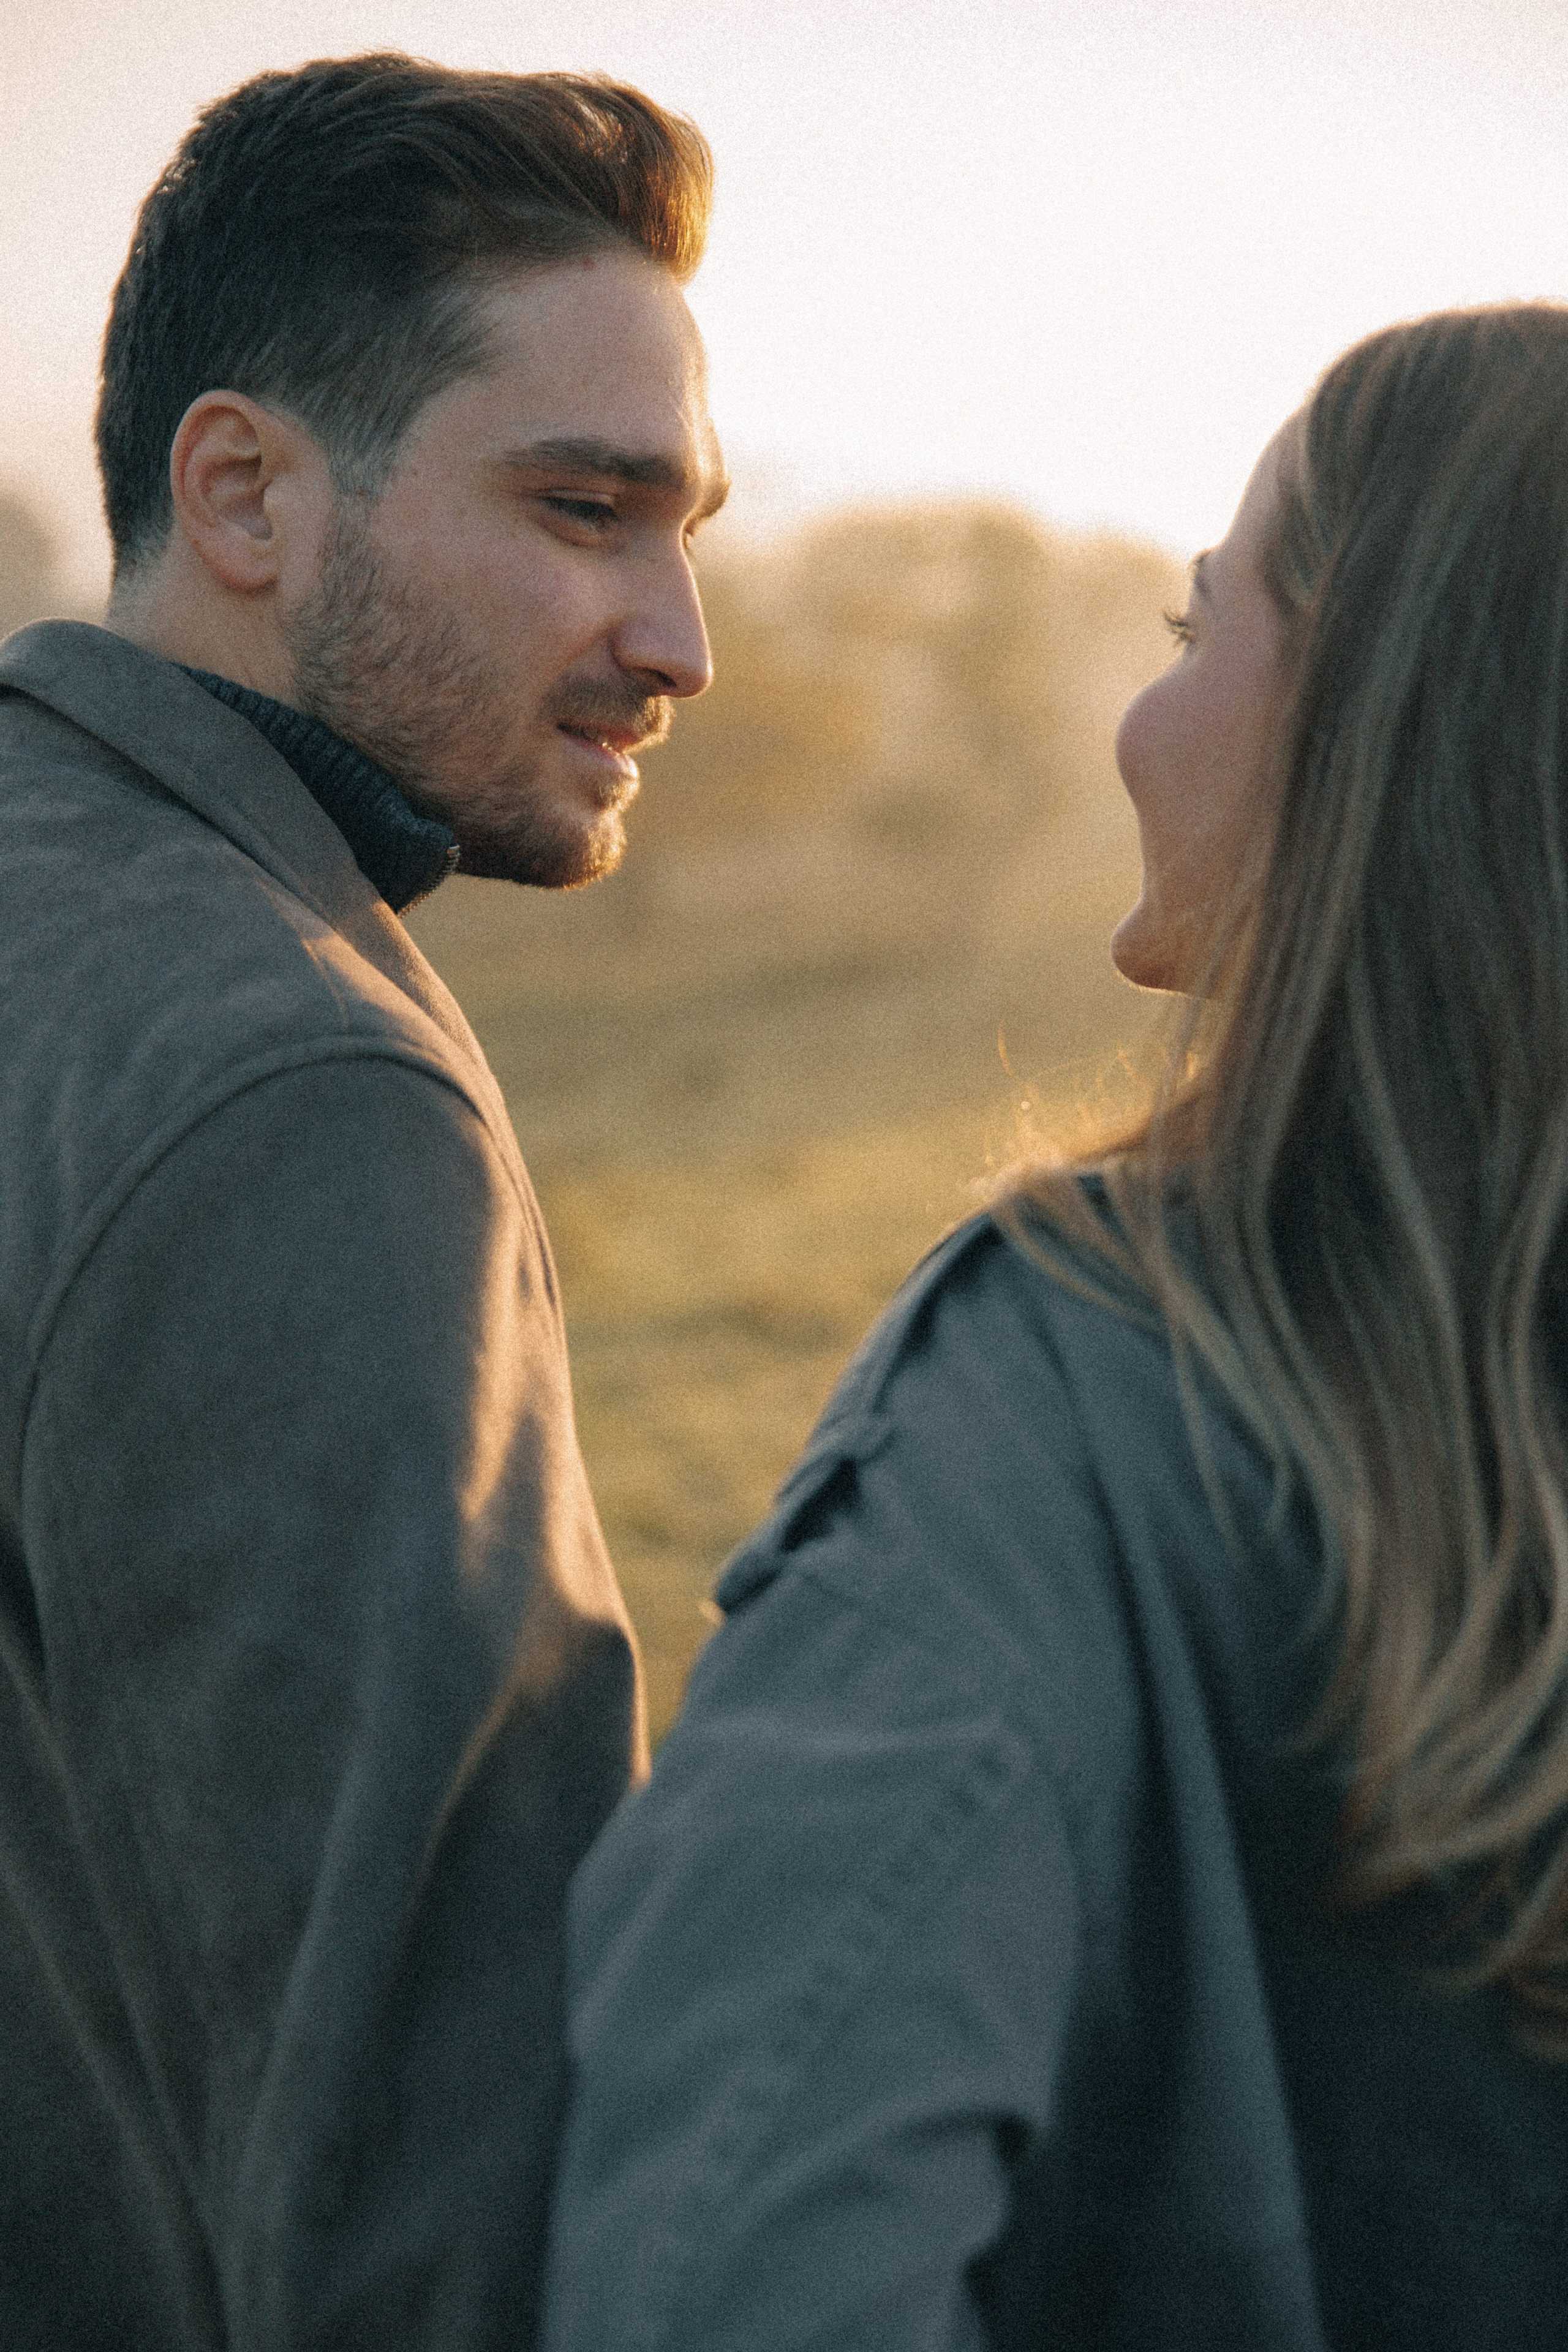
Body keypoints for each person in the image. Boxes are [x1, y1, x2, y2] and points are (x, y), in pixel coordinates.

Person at [538, 304, 1568, 2351]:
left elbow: (727, 2264)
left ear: (1372, 717)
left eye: (1199, 628)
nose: (1138, 715)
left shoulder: (1076, 1385)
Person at [0, 53, 724, 2352]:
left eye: (681, 520)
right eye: (585, 507)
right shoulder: (292, 1080)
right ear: (244, 495)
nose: (679, 637)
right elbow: (441, 2160)